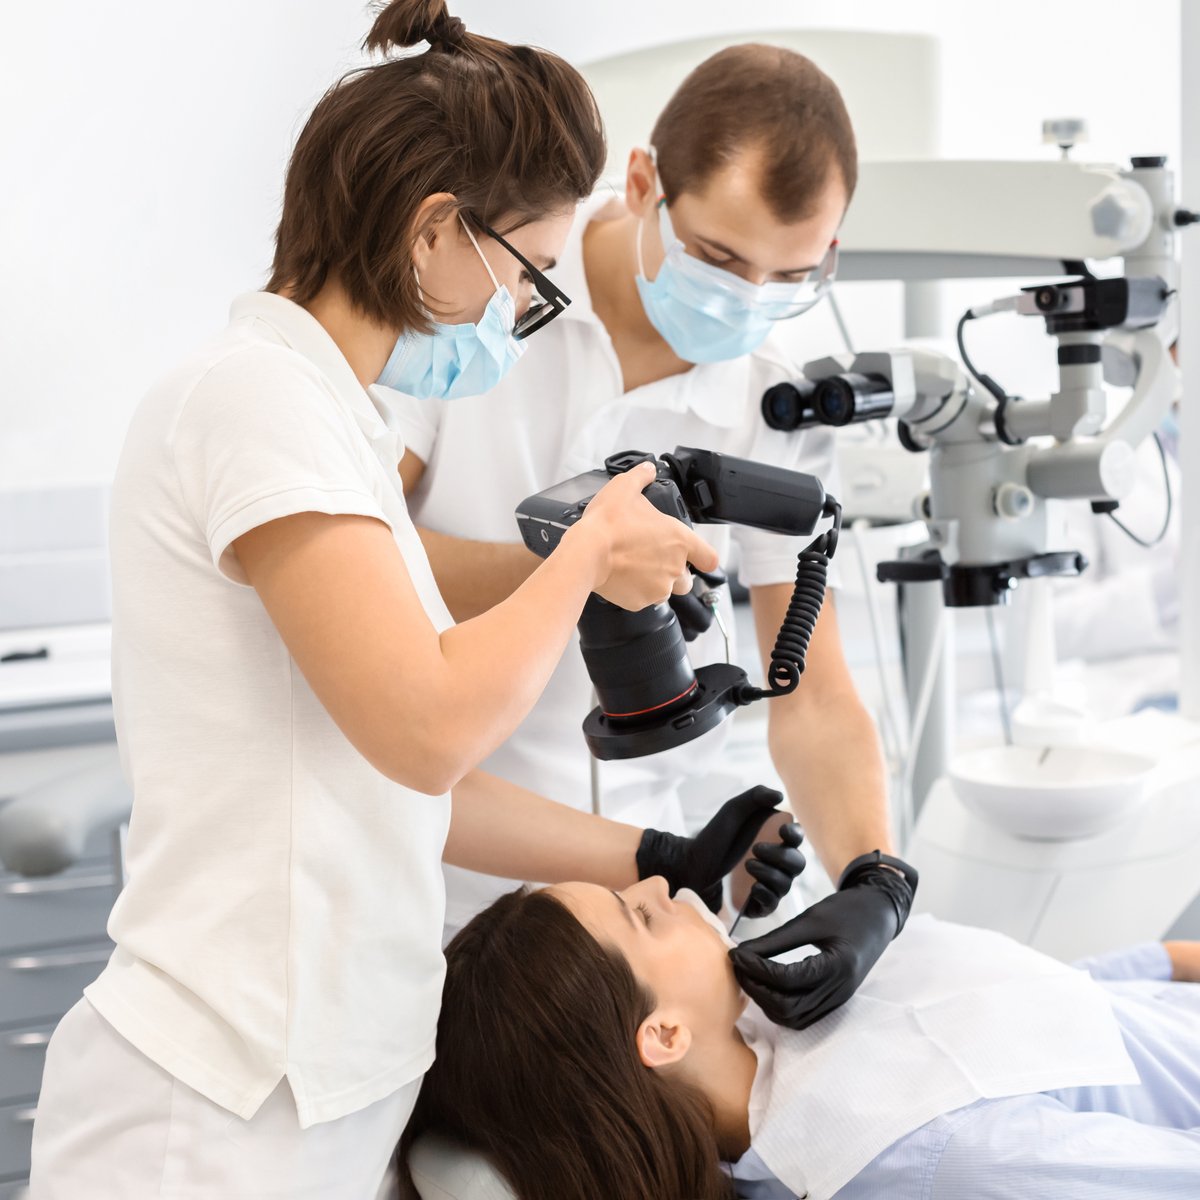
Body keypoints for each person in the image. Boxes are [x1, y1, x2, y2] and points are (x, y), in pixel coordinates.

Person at [28, 5, 805, 1196]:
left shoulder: (336, 426)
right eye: (527, 275)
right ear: (436, 231)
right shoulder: (254, 401)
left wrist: (654, 852)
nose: (522, 313)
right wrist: (583, 554)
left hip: (329, 1084)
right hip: (216, 1101)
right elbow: (428, 727)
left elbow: (398, 789)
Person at [390, 42, 914, 1016]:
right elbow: (353, 559)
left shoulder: (777, 400)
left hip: (652, 900)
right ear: (642, 182)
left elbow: (815, 695)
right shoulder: (479, 296)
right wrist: (573, 566)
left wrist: (874, 881)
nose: (745, 299)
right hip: (434, 871)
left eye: (788, 275)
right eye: (719, 258)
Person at [402, 879, 1200, 1200]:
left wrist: (1167, 959)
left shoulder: (779, 1019)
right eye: (639, 914)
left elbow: (1045, 999)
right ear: (665, 1034)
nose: (657, 884)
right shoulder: (918, 1154)